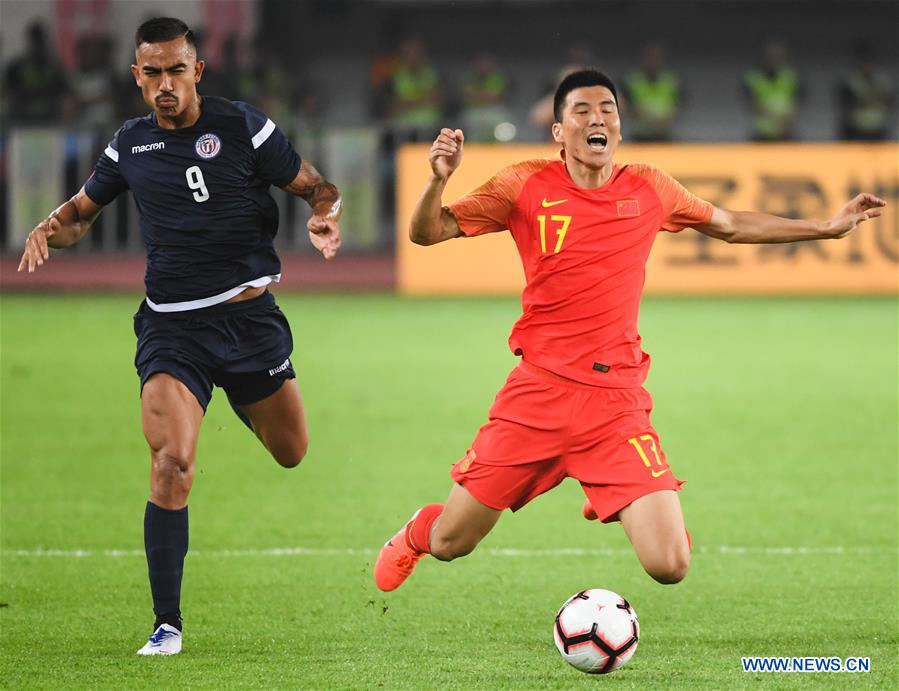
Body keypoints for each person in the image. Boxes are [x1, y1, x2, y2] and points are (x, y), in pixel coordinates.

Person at [373, 69, 885, 594]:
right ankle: (416, 533)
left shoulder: (649, 187)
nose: (597, 119)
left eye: (608, 111)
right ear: (558, 131)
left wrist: (825, 227)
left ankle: (620, 493)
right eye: (582, 111)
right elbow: (428, 232)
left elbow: (731, 225)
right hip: (537, 396)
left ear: (619, 126)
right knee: (450, 542)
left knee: (670, 565)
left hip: (614, 405)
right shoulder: (523, 183)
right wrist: (437, 180)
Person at [17, 17, 342, 656]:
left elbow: (315, 186)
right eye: (152, 73)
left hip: (250, 323)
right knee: (172, 464)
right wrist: (49, 226)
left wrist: (326, 214)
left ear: (198, 71)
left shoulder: (243, 127)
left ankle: (240, 396)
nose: (165, 84)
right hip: (173, 329)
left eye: (176, 70)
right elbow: (81, 215)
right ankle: (167, 625)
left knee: (292, 451)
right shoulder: (129, 144)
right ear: (136, 76)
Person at [743, 40, 802, 141]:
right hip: (762, 133)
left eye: (778, 53)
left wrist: (785, 120)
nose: (775, 57)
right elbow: (750, 104)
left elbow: (798, 102)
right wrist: (774, 118)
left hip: (787, 132)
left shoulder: (792, 76)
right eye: (771, 54)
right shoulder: (754, 77)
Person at [836, 42, 896, 141]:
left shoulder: (884, 82)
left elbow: (890, 103)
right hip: (855, 128)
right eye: (863, 62)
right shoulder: (849, 82)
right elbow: (845, 106)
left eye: (869, 62)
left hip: (878, 128)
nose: (867, 66)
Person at [623, 43, 681, 141]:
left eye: (656, 57)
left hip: (664, 135)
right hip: (639, 136)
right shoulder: (632, 81)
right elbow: (625, 105)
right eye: (650, 57)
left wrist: (663, 119)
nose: (653, 61)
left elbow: (678, 105)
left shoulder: (672, 81)